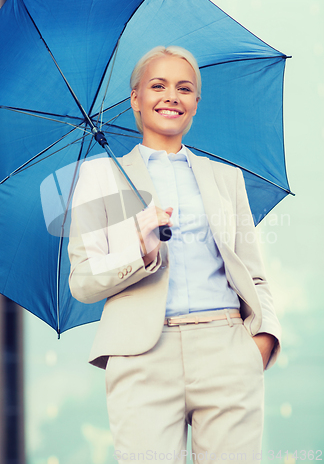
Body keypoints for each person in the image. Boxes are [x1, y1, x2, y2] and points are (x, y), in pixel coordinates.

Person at [68, 46, 281, 463]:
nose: (171, 96)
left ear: (195, 104)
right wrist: (139, 247)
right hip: (143, 358)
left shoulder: (226, 177)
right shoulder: (101, 178)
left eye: (184, 89)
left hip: (226, 350)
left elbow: (252, 273)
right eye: (158, 86)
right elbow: (83, 280)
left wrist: (262, 342)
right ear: (135, 98)